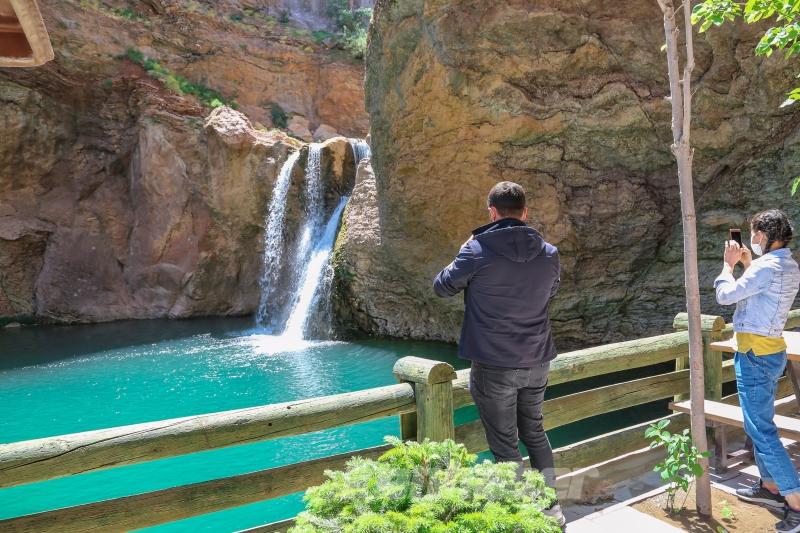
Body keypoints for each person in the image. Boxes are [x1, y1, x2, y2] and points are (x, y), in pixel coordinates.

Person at [433, 181, 563, 526]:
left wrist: (462, 251)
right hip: (538, 360)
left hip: (494, 365)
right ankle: (551, 509)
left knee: (506, 445)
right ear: (525, 213)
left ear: (491, 212)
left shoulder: (475, 250)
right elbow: (552, 289)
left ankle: (522, 517)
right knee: (534, 432)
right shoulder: (549, 252)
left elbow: (441, 286)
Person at [715, 209, 800, 533]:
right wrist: (749, 265)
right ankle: (769, 486)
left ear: (762, 236)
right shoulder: (786, 265)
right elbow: (760, 296)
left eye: (754, 235)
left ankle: (795, 502)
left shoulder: (767, 267)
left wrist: (729, 264)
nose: (751, 241)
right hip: (770, 350)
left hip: (753, 354)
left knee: (762, 431)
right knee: (759, 426)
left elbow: (726, 295)